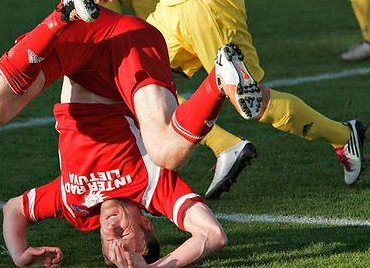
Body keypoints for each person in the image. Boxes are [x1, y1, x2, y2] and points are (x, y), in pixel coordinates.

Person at [0, 2, 255, 266]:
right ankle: (220, 79)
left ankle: (62, 13)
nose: (111, 229)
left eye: (108, 240)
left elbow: (14, 209)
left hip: (81, 39)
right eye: (124, 234)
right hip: (127, 49)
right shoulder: (152, 189)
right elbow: (212, 235)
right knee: (165, 154)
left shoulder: (75, 207)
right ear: (146, 223)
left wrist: (19, 254)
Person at [103, 0, 367, 198]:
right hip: (172, 8)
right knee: (132, 81)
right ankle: (225, 146)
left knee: (252, 101)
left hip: (209, 9)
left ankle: (343, 135)